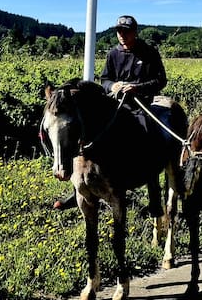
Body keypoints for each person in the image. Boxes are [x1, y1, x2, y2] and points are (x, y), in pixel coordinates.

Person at [53, 14, 167, 210]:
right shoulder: (113, 54)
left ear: (135, 32)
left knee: (148, 133)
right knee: (86, 135)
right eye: (119, 31)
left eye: (126, 31)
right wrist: (113, 86)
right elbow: (104, 80)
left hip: (140, 105)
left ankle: (154, 193)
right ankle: (78, 189)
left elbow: (160, 81)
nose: (122, 34)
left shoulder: (148, 52)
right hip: (115, 104)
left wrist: (137, 87)